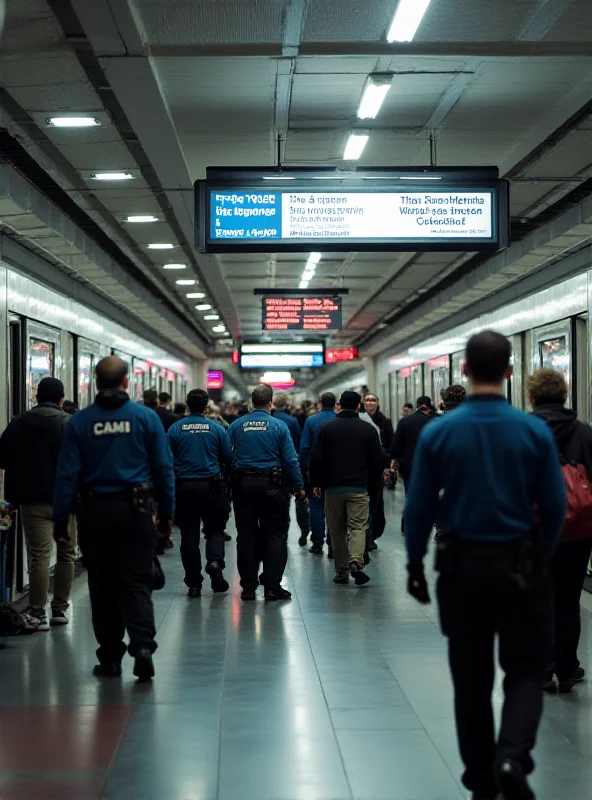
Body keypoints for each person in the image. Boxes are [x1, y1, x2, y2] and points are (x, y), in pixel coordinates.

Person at [404, 331, 566, 800]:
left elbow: (418, 508)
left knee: (471, 679)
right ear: (511, 372)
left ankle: (480, 778)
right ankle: (513, 756)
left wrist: (415, 564)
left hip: (460, 568)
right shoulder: (533, 430)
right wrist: (543, 556)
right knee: (525, 669)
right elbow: (554, 506)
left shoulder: (439, 431)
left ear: (465, 372)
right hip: (520, 564)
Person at [53, 356, 175, 682]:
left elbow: (67, 475)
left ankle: (110, 656)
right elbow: (163, 469)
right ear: (126, 382)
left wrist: (60, 518)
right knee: (137, 582)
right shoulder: (145, 418)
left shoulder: (79, 422)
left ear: (95, 382)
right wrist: (166, 514)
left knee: (102, 585)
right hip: (136, 512)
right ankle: (143, 646)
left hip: (95, 515)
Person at [528, 368, 592, 694]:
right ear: (564, 395)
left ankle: (542, 668)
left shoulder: (523, 430)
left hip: (535, 529)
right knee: (569, 599)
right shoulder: (584, 432)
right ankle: (567, 668)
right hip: (578, 531)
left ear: (532, 396)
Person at [0, 377, 75, 629]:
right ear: (61, 400)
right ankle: (60, 610)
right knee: (66, 555)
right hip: (65, 502)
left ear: (36, 397)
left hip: (32, 501)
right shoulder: (68, 423)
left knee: (39, 556)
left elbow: (2, 457)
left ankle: (36, 614)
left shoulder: (18, 422)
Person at [227, 384, 305, 602]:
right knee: (275, 535)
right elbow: (290, 460)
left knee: (246, 535)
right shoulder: (279, 426)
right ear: (270, 402)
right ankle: (272, 587)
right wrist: (299, 486)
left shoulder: (236, 425)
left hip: (243, 486)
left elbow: (225, 455)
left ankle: (249, 588)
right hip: (273, 486)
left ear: (251, 403)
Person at [309, 391, 383, 586]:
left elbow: (316, 458)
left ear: (339, 405)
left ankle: (341, 571)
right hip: (358, 488)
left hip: (333, 489)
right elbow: (376, 462)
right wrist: (374, 488)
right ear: (359, 406)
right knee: (358, 526)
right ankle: (356, 562)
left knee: (337, 529)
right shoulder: (368, 430)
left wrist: (316, 482)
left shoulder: (327, 428)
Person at [168, 389, 231, 597]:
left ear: (187, 406)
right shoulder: (216, 429)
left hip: (184, 487)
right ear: (206, 407)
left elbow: (167, 459)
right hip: (211, 486)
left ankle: (194, 583)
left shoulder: (175, 429)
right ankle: (214, 562)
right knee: (215, 529)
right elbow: (227, 457)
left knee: (189, 536)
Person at [300, 392, 337, 555]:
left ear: (320, 403)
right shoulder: (340, 420)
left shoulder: (311, 421)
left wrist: (304, 471)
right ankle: (332, 543)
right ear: (335, 404)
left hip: (315, 471)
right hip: (337, 471)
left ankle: (317, 542)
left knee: (315, 506)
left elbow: (304, 448)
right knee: (335, 509)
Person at [363, 393, 394, 542]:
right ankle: (366, 534)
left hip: (378, 465)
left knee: (377, 500)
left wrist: (387, 464)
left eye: (373, 400)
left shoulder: (384, 422)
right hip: (363, 465)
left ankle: (374, 532)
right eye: (367, 400)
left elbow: (390, 443)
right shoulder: (359, 419)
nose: (370, 403)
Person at [390, 395, 433, 491]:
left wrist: (394, 460)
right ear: (429, 407)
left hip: (408, 464)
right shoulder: (434, 421)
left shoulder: (405, 421)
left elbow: (397, 442)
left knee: (410, 490)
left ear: (417, 406)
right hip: (429, 465)